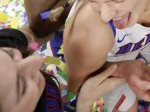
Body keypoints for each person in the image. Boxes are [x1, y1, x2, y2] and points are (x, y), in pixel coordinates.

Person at [0, 27, 138, 112]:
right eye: (22, 85)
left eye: (11, 55)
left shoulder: (4, 44)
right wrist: (85, 102)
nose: (35, 60)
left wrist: (33, 44)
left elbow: (33, 35)